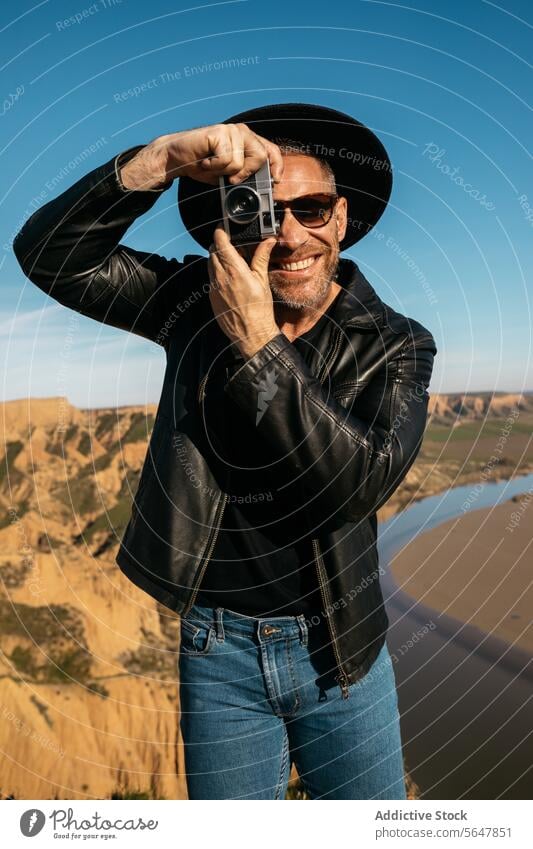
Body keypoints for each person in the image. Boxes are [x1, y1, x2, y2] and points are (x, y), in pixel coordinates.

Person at [13, 102, 437, 800]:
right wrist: (160, 160)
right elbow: (49, 256)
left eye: (312, 208)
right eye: (266, 211)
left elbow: (361, 482)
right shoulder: (192, 301)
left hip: (342, 652)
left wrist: (258, 343)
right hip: (219, 651)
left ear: (340, 218)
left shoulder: (395, 342)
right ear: (232, 221)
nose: (291, 234)